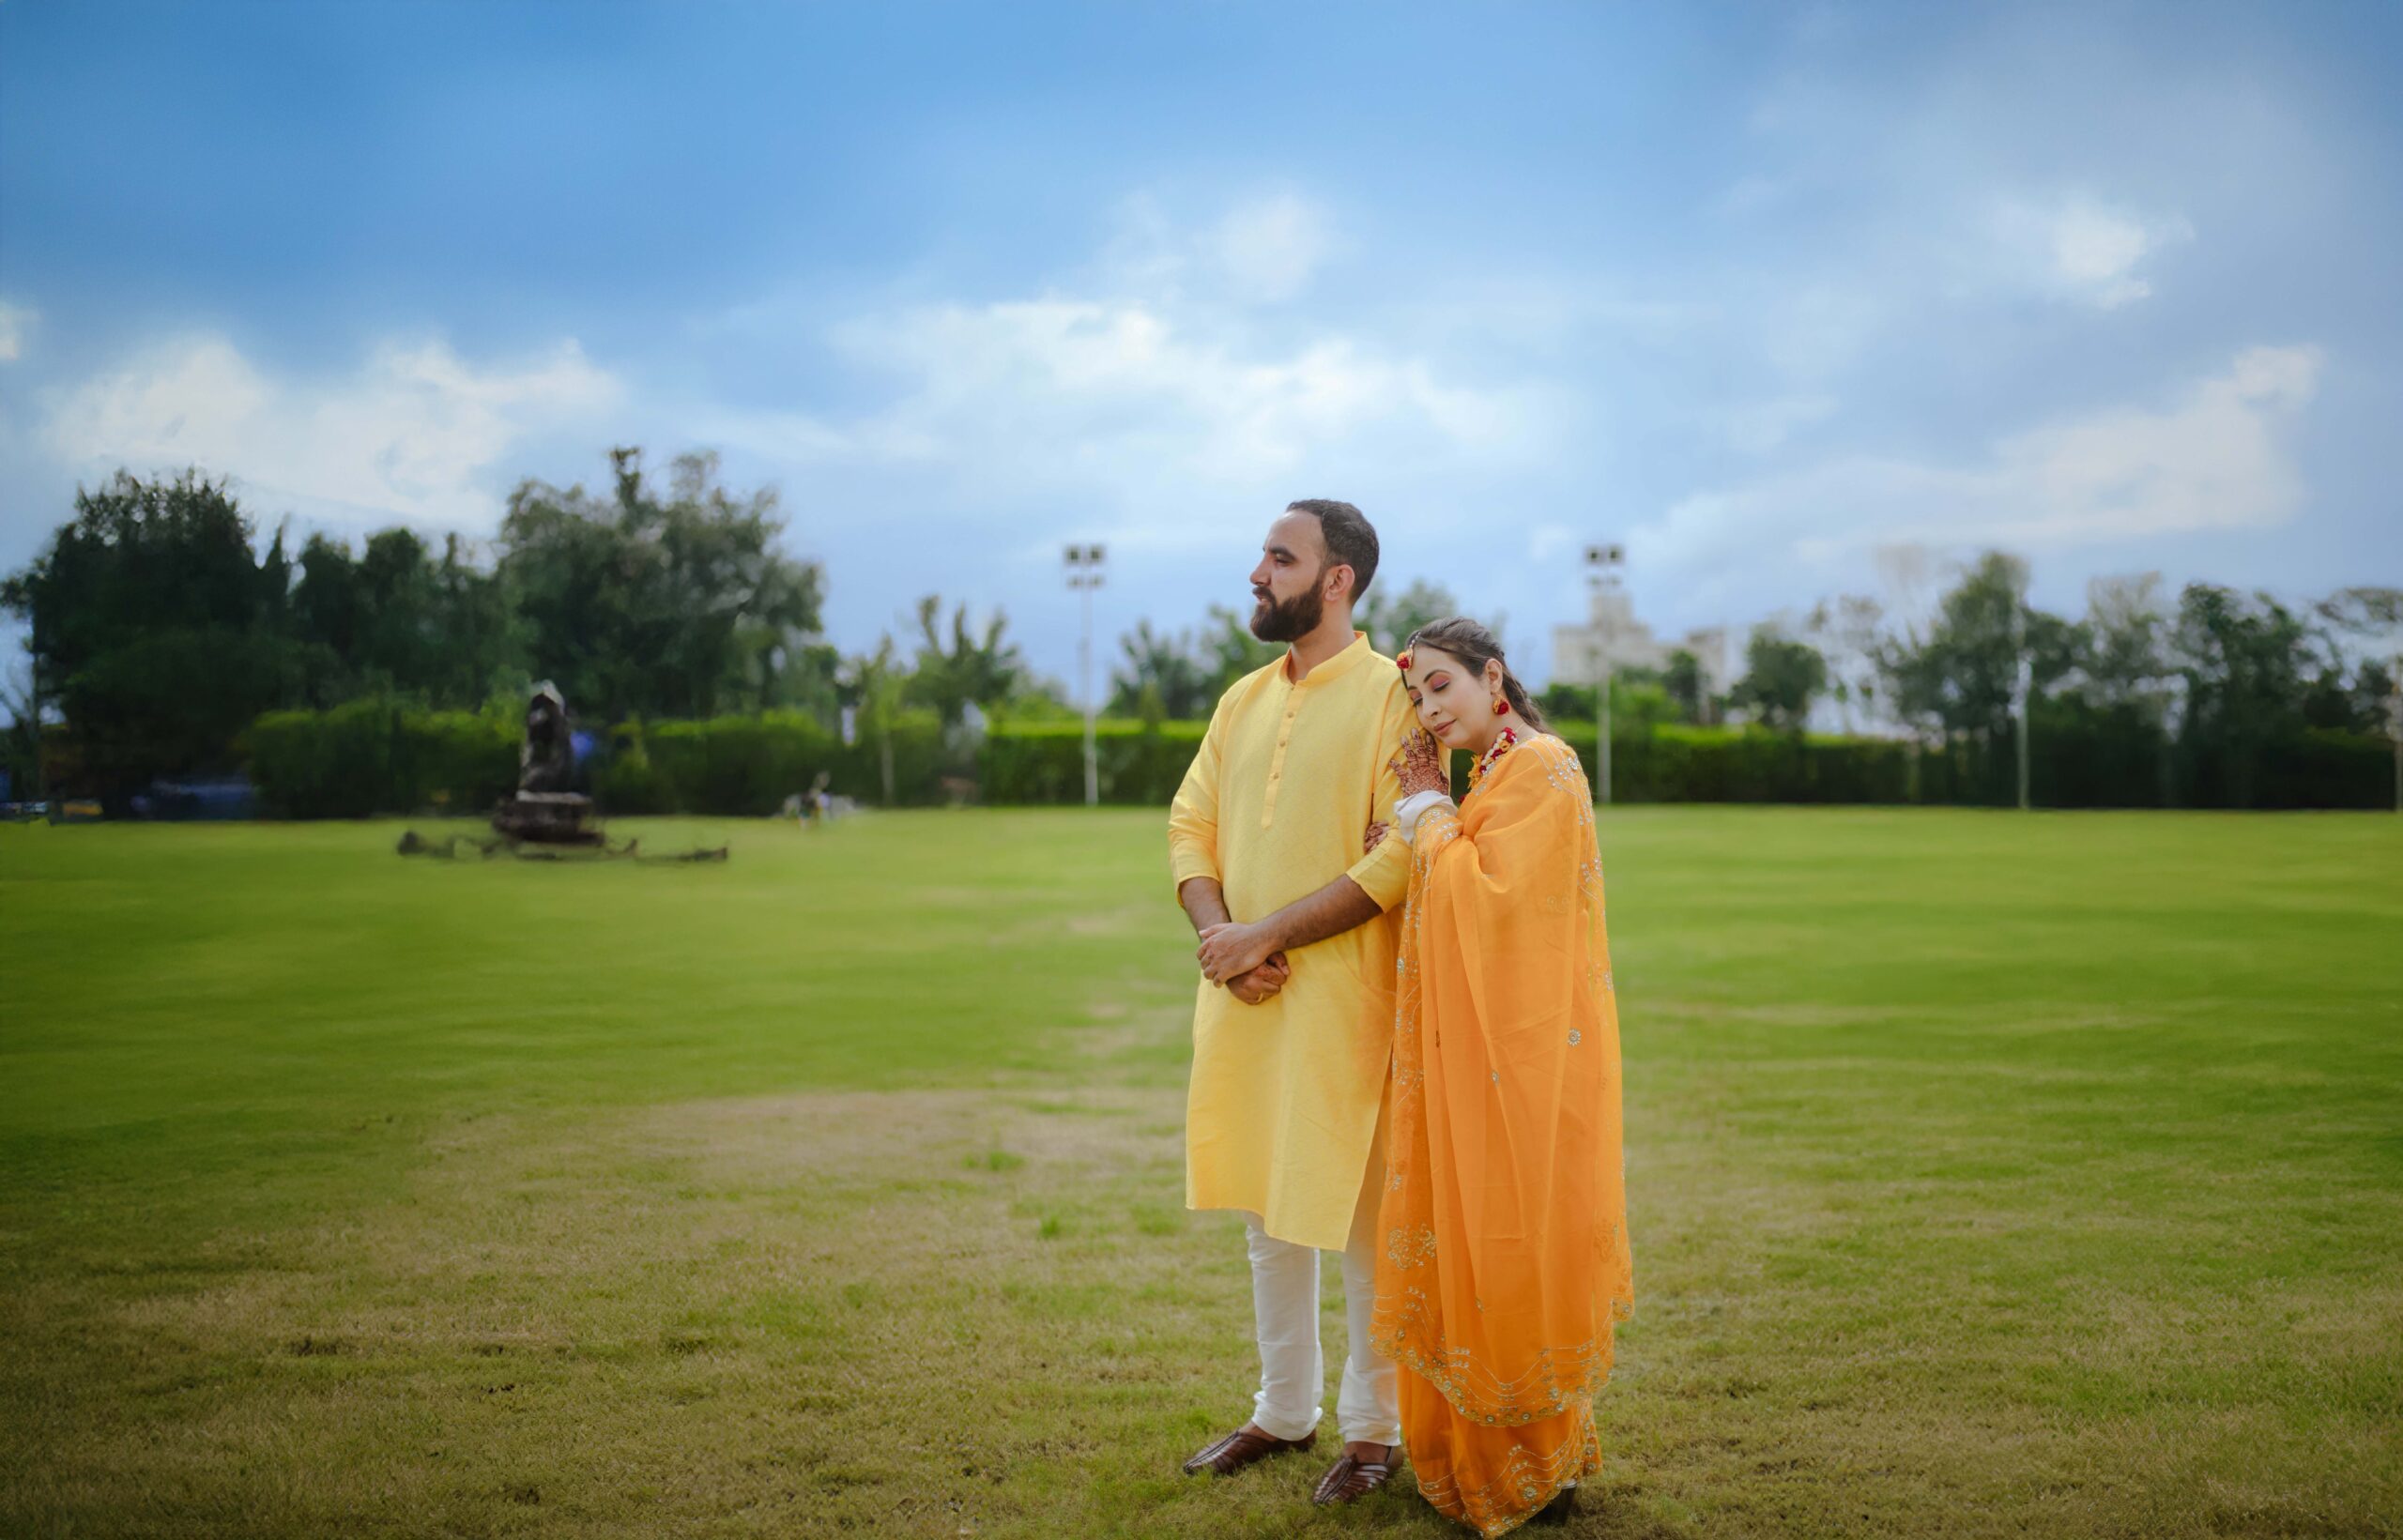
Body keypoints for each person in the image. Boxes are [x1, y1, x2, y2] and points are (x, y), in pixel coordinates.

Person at [1168, 499, 1419, 1507]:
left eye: (1280, 558)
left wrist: (1267, 936)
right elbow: (1190, 826)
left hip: (1345, 1001)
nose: (1257, 573)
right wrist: (1221, 941)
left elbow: (1401, 852)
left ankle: (1373, 1432)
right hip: (1243, 997)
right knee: (1268, 1214)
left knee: (1359, 1219)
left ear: (1338, 579)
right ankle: (1282, 1410)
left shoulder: (1392, 696)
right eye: (1263, 556)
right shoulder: (1240, 700)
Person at [1374, 617, 1635, 1536]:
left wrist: (1422, 812)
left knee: (1516, 1241)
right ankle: (1471, 1457)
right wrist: (1430, 813)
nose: (1429, 708)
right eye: (1416, 694)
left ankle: (1532, 1468)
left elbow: (1490, 903)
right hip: (1474, 1061)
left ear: (1494, 677)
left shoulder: (1545, 768)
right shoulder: (1490, 774)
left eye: (1440, 685)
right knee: (1467, 1240)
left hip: (1526, 1067)